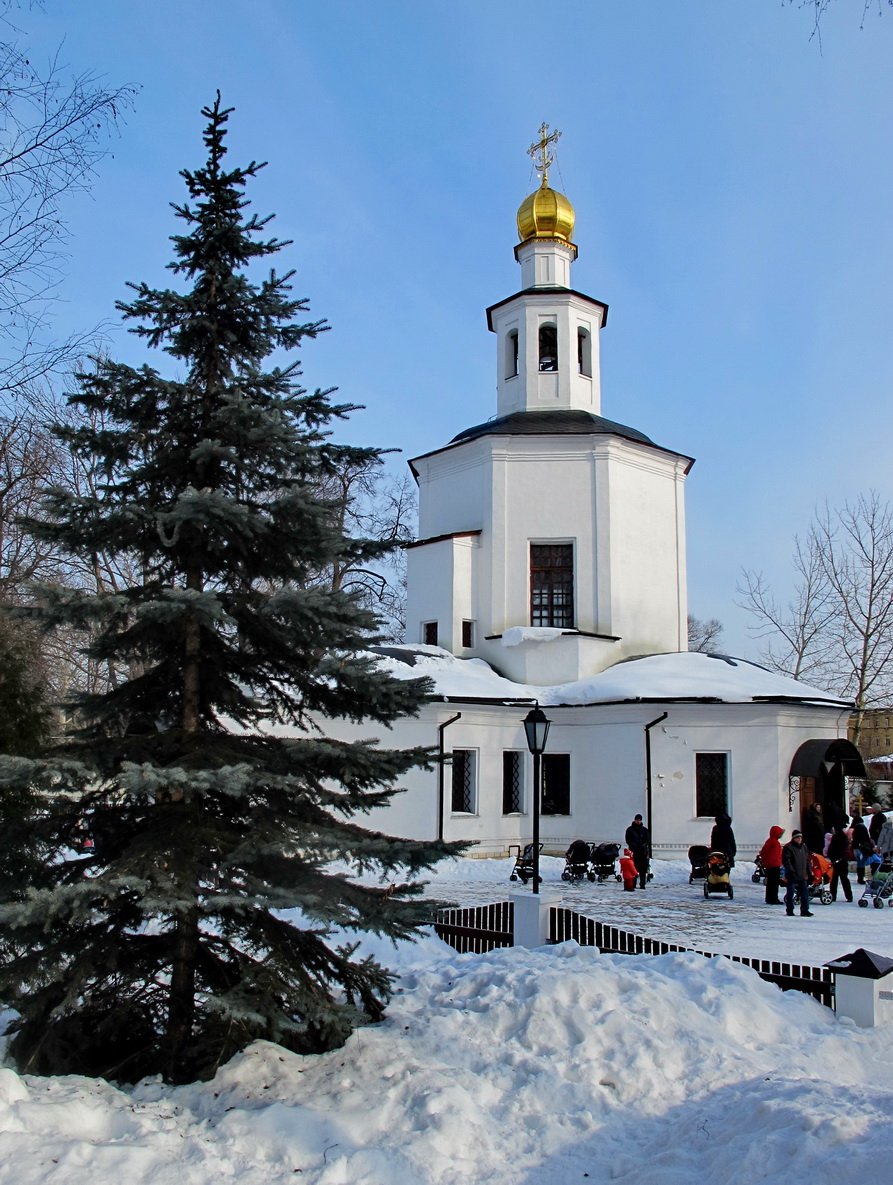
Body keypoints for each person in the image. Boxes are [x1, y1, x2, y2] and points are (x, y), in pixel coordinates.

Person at [782, 829, 813, 917]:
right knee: (790, 893)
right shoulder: (788, 847)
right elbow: (786, 861)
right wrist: (791, 870)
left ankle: (805, 910)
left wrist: (809, 872)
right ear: (793, 838)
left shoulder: (804, 847)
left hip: (802, 874)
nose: (799, 839)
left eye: (800, 837)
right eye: (797, 838)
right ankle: (789, 910)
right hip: (792, 874)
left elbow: (807, 860)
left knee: (804, 893)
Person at [827, 816, 853, 903]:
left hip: (837, 860)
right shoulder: (843, 837)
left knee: (834, 879)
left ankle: (833, 895)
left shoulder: (836, 837)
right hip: (842, 860)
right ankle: (849, 896)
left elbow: (831, 849)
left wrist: (832, 857)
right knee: (844, 879)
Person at [758, 825, 785, 905]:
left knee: (771, 883)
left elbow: (763, 852)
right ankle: (773, 898)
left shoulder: (770, 841)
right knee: (774, 883)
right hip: (774, 865)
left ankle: (770, 898)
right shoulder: (774, 842)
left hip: (770, 865)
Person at [624, 813, 650, 889]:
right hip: (634, 852)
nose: (638, 821)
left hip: (643, 852)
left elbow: (647, 840)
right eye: (637, 820)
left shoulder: (644, 830)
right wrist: (634, 845)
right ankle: (633, 883)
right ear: (634, 820)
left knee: (643, 869)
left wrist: (644, 845)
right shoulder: (630, 830)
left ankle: (642, 884)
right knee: (633, 868)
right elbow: (628, 840)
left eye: (639, 820)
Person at [851, 813, 873, 884]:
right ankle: (861, 878)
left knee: (859, 863)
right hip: (861, 848)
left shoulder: (855, 829)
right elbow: (866, 838)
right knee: (862, 863)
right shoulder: (863, 827)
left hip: (855, 848)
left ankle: (859, 878)